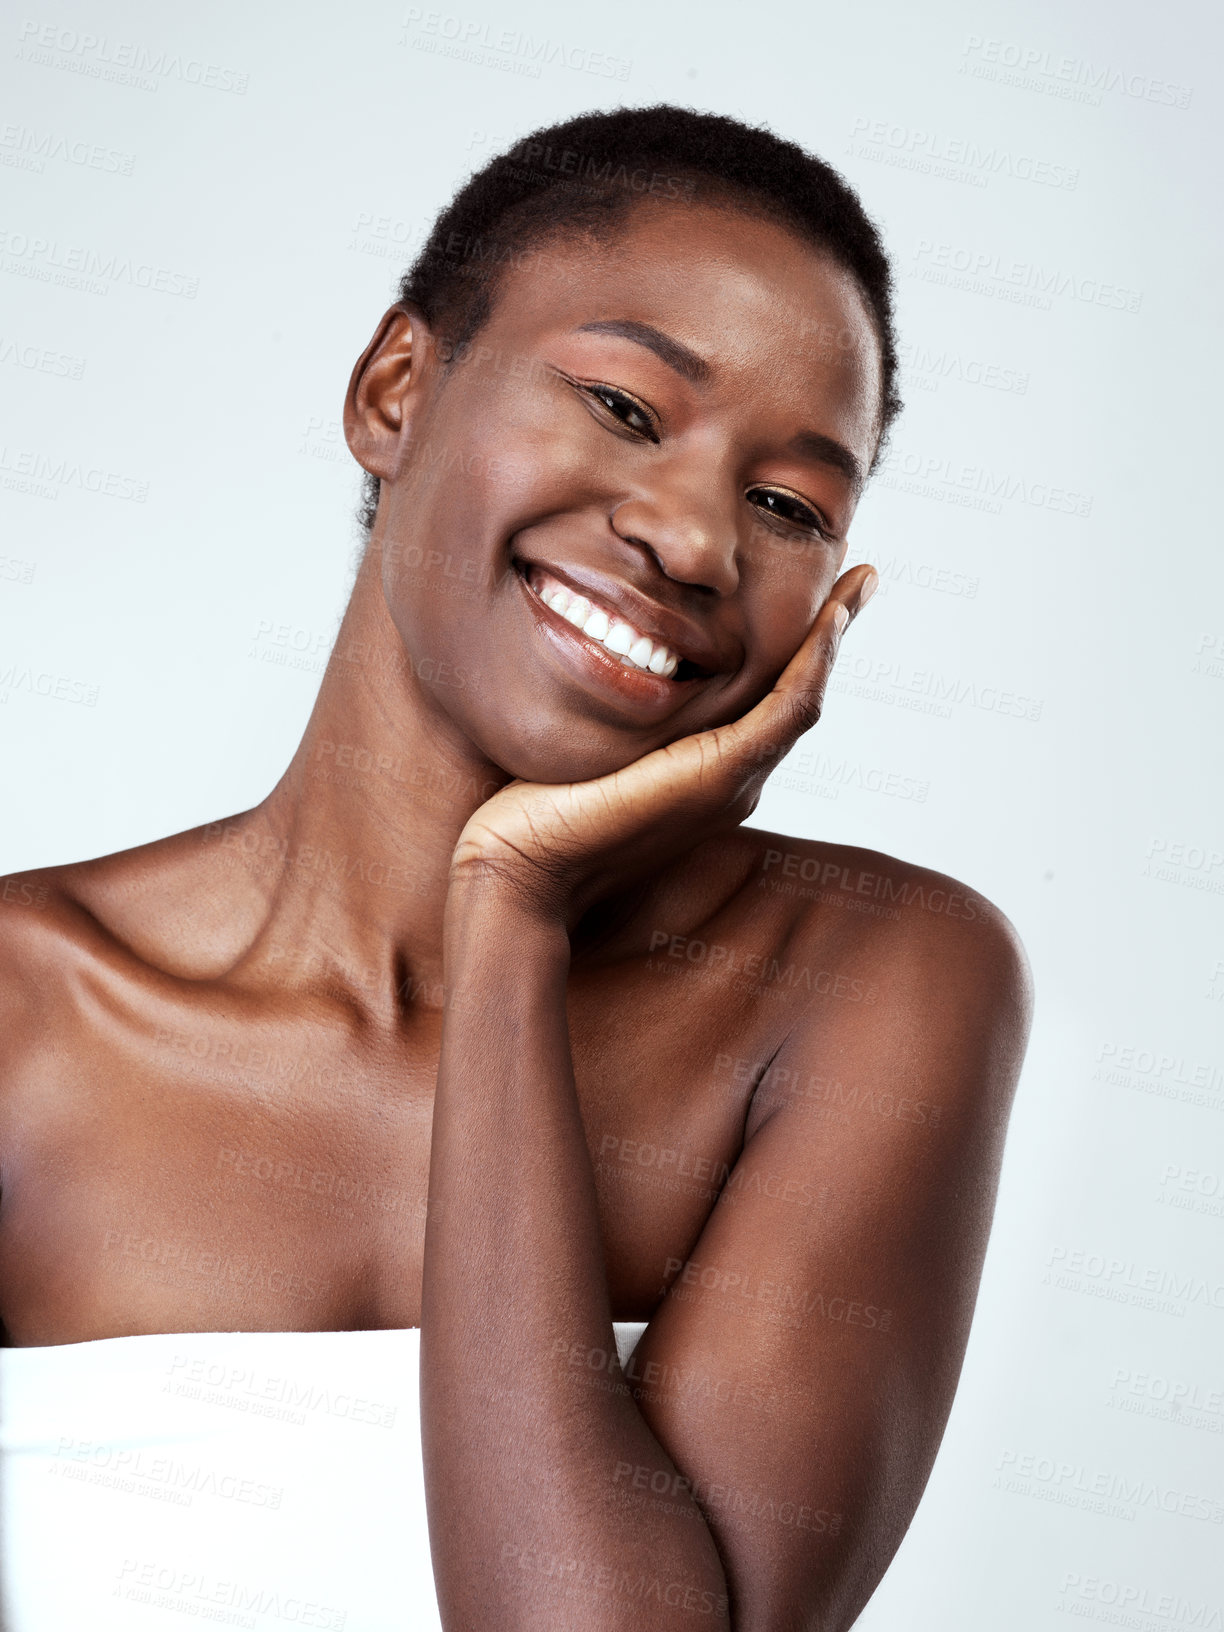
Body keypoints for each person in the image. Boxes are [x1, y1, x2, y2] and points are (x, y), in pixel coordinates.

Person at [0, 105, 1031, 1630]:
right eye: (625, 406)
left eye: (790, 505)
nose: (693, 539)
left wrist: (510, 916)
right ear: (396, 388)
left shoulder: (871, 983)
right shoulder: (28, 1011)